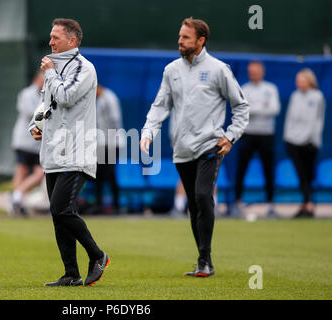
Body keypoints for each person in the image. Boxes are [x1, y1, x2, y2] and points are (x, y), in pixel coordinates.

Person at [140, 17, 249, 277]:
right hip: (181, 149)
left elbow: (241, 106)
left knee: (202, 195)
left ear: (200, 41)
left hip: (210, 145)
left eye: (186, 37)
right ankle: (203, 260)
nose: (180, 41)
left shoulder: (219, 69)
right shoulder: (171, 70)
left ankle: (205, 260)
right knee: (193, 202)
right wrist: (148, 132)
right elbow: (160, 105)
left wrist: (231, 136)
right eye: (180, 36)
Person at [29, 18, 110, 287]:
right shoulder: (53, 67)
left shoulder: (84, 68)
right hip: (53, 152)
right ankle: (71, 274)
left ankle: (98, 255)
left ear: (72, 41)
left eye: (56, 37)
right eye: (50, 37)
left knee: (60, 208)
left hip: (77, 152)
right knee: (59, 214)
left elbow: (66, 97)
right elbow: (46, 104)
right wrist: (35, 125)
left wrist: (50, 73)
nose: (50, 41)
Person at [232, 61, 281, 217]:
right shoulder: (244, 89)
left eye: (256, 71)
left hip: (266, 135)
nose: (253, 74)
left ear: (262, 72)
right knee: (241, 169)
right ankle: (238, 202)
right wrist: (261, 107)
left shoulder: (270, 89)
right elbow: (241, 109)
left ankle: (270, 204)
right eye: (250, 71)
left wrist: (253, 108)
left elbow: (274, 109)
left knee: (268, 169)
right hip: (248, 134)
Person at [284, 68, 326, 218]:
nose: (299, 83)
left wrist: (312, 139)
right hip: (293, 142)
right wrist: (288, 136)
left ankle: (308, 205)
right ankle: (306, 204)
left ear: (309, 81)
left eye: (302, 80)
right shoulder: (295, 96)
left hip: (309, 143)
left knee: (308, 175)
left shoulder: (317, 97)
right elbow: (289, 118)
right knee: (301, 174)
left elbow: (317, 120)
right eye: (298, 80)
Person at [9, 72, 45, 216]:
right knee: (22, 171)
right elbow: (32, 113)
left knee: (39, 173)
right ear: (36, 79)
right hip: (24, 140)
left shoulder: (46, 95)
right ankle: (17, 203)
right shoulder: (27, 94)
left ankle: (16, 198)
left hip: (37, 143)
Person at [94, 84, 123, 214]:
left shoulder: (109, 98)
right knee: (98, 173)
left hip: (111, 143)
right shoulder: (101, 100)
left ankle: (115, 205)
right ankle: (99, 204)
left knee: (110, 173)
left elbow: (114, 120)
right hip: (103, 143)